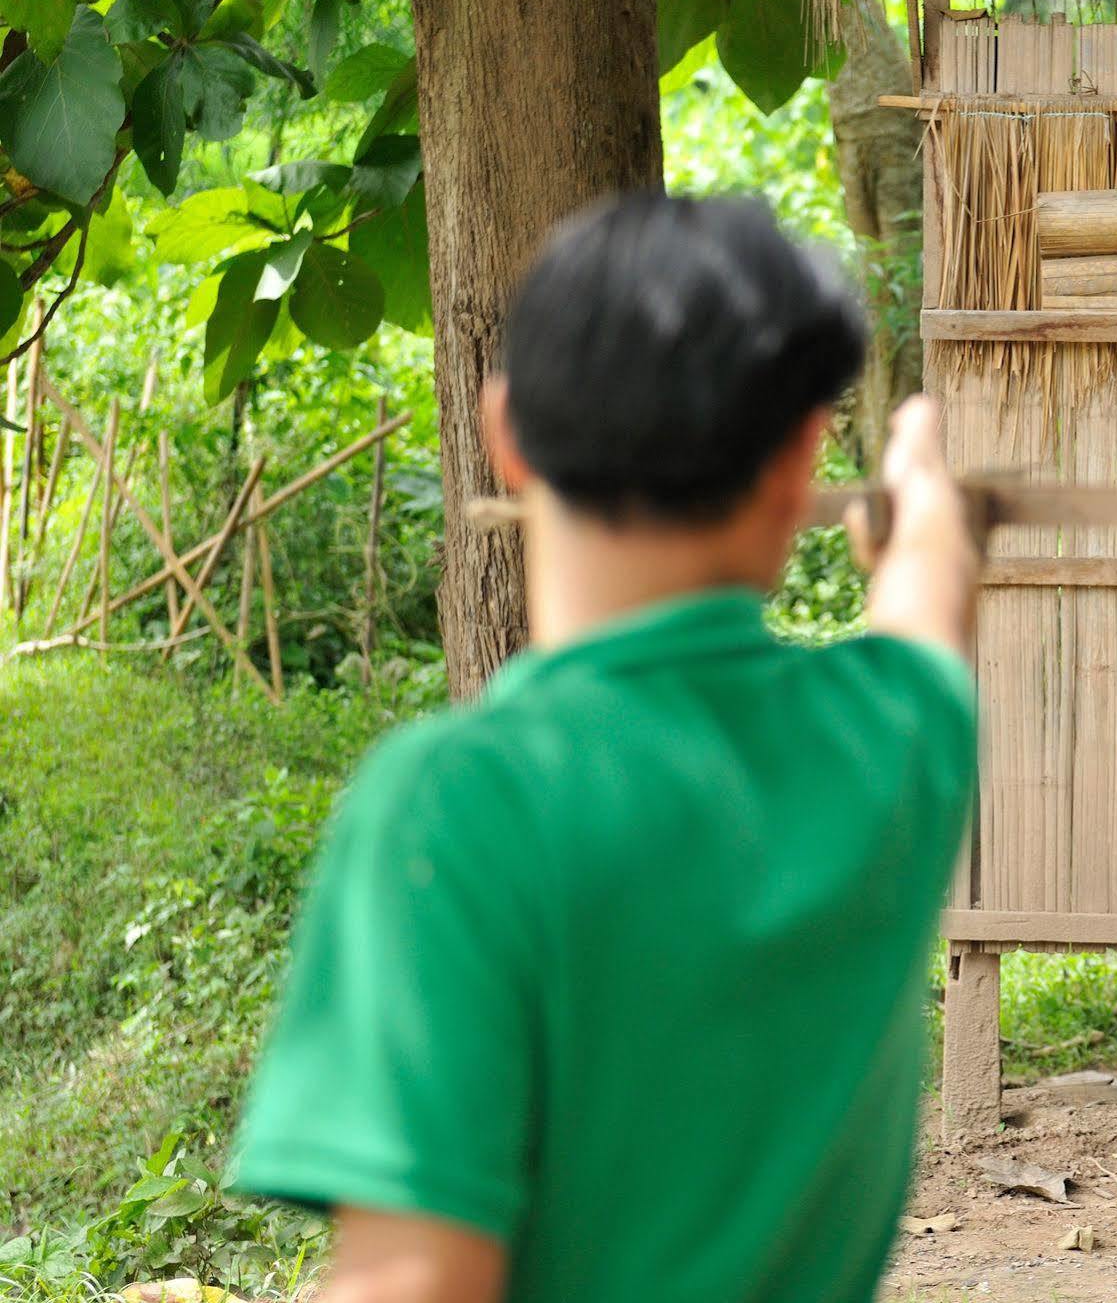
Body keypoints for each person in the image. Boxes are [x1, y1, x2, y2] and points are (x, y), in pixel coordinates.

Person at [229, 193, 983, 1303]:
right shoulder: (896, 738)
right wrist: (919, 483)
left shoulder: (455, 804)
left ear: (506, 435)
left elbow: (415, 1278)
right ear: (799, 463)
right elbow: (928, 592)